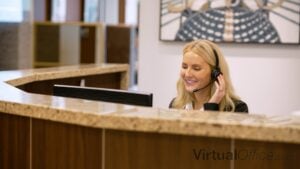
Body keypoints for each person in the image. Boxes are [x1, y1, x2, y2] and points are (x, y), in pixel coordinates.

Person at [169, 39, 248, 113]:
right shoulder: (176, 105)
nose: (187, 74)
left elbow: (199, 127)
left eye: (196, 68)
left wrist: (213, 104)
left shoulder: (236, 109)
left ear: (215, 73)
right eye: (184, 67)